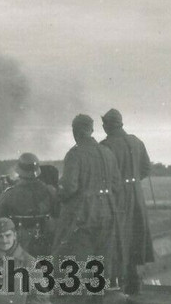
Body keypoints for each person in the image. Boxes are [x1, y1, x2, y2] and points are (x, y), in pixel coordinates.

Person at [51, 114, 122, 288]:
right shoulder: (107, 153)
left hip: (82, 215)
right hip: (107, 211)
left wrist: (56, 193)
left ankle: (76, 300)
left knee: (75, 256)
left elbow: (69, 187)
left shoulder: (75, 154)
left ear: (75, 132)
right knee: (101, 258)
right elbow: (116, 184)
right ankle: (99, 297)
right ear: (91, 130)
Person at [99, 108, 154, 294]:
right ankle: (135, 280)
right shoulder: (136, 141)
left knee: (118, 238)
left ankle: (119, 285)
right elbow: (146, 168)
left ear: (106, 125)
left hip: (118, 197)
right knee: (135, 237)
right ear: (120, 123)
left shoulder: (105, 146)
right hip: (137, 195)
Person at [0, 152, 58, 255]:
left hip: (19, 245)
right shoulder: (50, 191)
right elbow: (60, 216)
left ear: (19, 172)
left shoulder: (9, 194)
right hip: (47, 244)